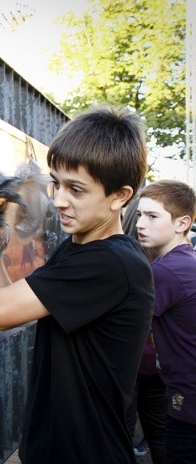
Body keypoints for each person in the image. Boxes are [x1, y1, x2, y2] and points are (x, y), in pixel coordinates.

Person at [0, 105, 154, 463]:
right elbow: (8, 305)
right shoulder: (79, 248)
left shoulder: (108, 264)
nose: (59, 200)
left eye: (76, 190)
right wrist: (1, 231)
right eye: (56, 183)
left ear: (120, 196)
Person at [136, 179, 196, 464]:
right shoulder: (187, 261)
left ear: (182, 223)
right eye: (139, 214)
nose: (140, 224)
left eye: (152, 216)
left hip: (188, 400)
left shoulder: (166, 271)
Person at [123, 197, 167, 464]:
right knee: (159, 432)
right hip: (158, 363)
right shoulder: (168, 260)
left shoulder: (123, 259)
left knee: (122, 430)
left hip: (129, 363)